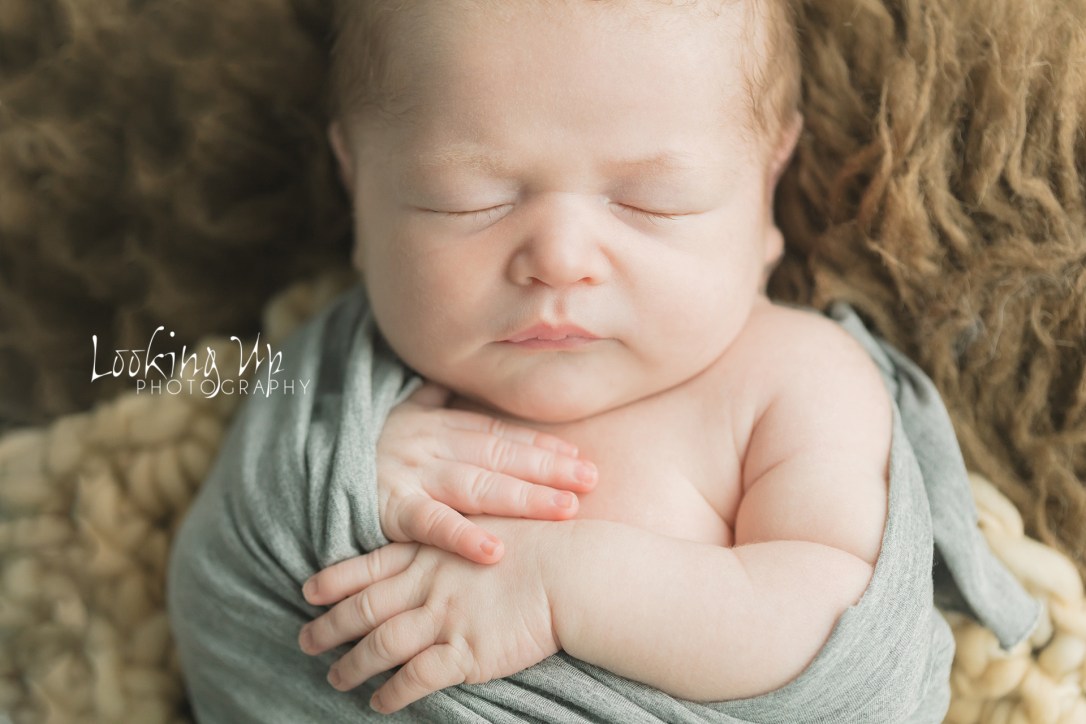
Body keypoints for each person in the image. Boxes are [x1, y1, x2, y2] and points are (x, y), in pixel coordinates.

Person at [168, 1, 1038, 721]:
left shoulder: (791, 381)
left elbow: (848, 641)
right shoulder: (344, 380)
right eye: (468, 198)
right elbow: (224, 585)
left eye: (650, 202)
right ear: (358, 187)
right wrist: (344, 476)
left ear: (767, 185)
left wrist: (566, 590)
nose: (560, 258)